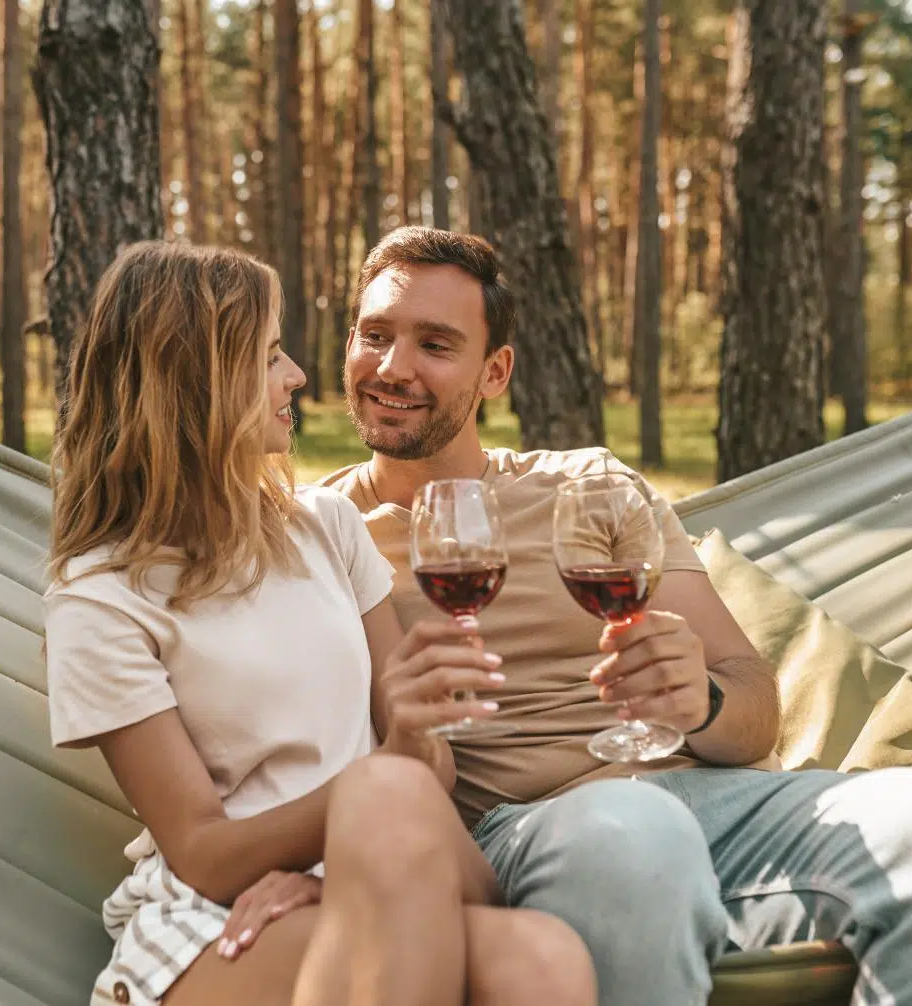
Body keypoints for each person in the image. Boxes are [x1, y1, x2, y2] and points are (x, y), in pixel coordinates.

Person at [319, 225, 912, 1006]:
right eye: (375, 336)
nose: (393, 367)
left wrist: (702, 701)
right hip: (536, 833)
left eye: (436, 344)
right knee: (637, 843)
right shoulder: (314, 534)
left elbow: (755, 709)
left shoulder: (590, 486)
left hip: (721, 806)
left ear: (495, 372)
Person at [43, 240, 596, 1006]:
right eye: (270, 354)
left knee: (544, 956)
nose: (298, 375)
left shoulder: (327, 526)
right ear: (196, 382)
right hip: (220, 915)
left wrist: (407, 748)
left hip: (381, 867)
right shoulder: (101, 596)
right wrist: (377, 792)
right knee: (384, 795)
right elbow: (201, 850)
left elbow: (424, 770)